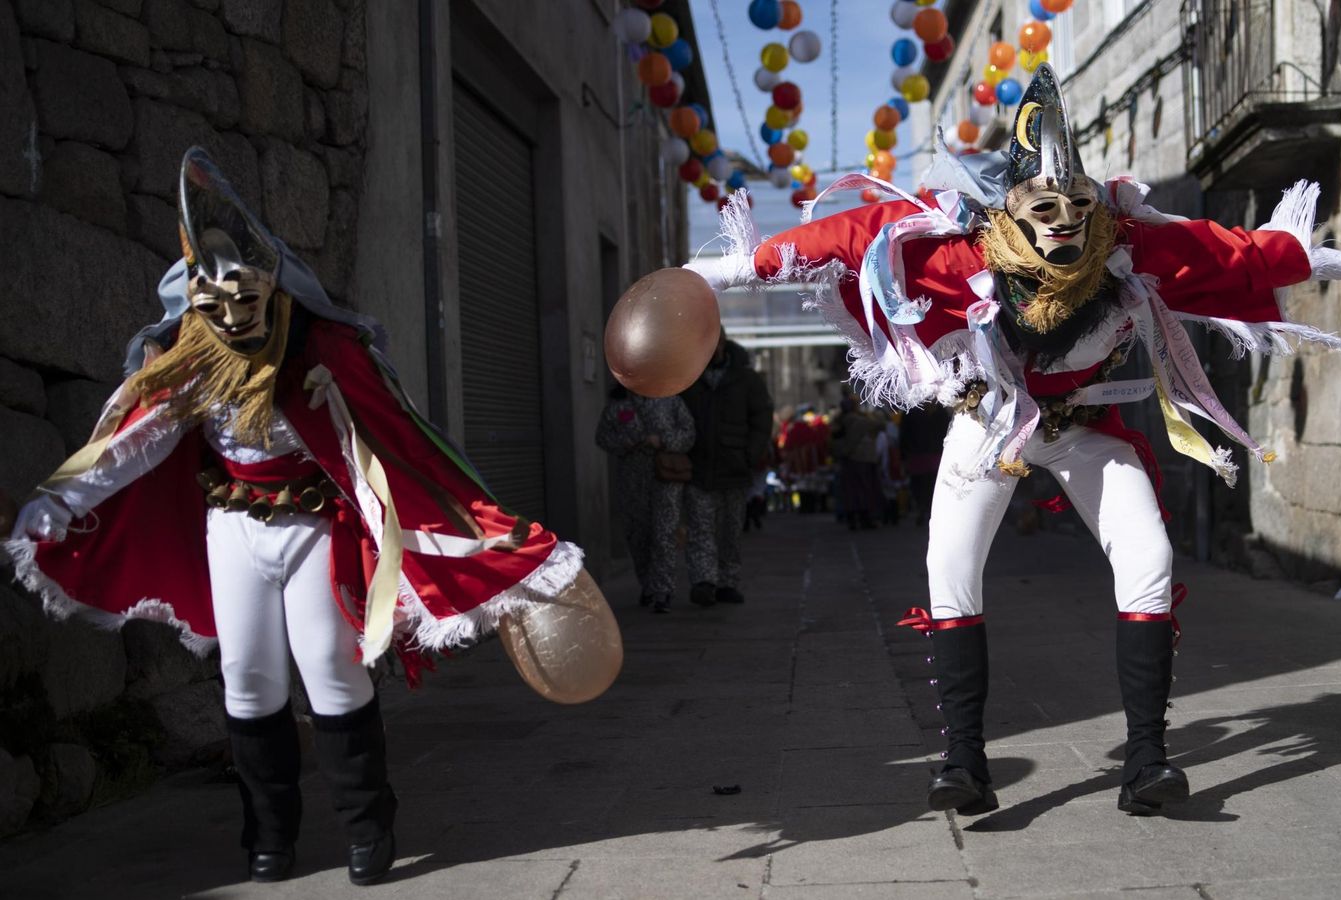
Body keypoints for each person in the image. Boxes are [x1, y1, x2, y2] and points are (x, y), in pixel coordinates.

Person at [685, 65, 1341, 817]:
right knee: (949, 568)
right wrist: (723, 272)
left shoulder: (1126, 247)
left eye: (1076, 205)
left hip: (1085, 424)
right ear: (1009, 209)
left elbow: (1236, 254)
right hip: (990, 421)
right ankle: (963, 764)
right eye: (1042, 206)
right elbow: (843, 238)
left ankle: (1148, 762)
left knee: (1148, 556)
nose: (1062, 221)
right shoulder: (964, 252)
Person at [5, 148, 590, 884]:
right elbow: (138, 441)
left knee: (332, 671)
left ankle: (367, 827)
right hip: (233, 527)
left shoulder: (327, 349)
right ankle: (268, 837)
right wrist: (59, 500)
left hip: (314, 527)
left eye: (245, 301)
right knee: (249, 681)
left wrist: (341, 413)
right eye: (213, 307)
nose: (232, 319)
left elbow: (404, 447)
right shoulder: (189, 355)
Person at [679, 331, 774, 607]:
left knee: (730, 530)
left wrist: (750, 454)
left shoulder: (746, 379)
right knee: (700, 528)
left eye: (714, 342)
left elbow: (762, 418)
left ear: (723, 344)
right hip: (698, 467)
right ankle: (703, 581)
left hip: (734, 467)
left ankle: (728, 581)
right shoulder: (689, 377)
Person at [594, 385, 695, 613]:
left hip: (665, 477)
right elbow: (602, 436)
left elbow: (688, 432)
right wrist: (624, 443)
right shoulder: (619, 405)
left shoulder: (671, 401)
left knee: (664, 533)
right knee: (638, 534)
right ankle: (648, 584)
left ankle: (663, 590)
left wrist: (664, 440)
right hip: (631, 479)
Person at [831, 397, 885, 530]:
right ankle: (864, 518)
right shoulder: (857, 420)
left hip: (848, 460)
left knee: (850, 490)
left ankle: (852, 519)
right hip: (861, 459)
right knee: (864, 490)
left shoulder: (839, 422)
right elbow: (880, 424)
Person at [899, 403, 951, 527]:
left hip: (919, 455)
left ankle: (922, 508)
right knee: (931, 485)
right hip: (933, 455)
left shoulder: (912, 410)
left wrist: (904, 455)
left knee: (919, 484)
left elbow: (904, 434)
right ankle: (928, 510)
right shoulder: (940, 411)